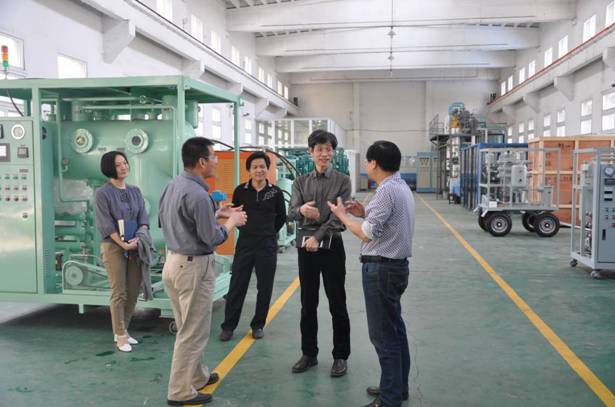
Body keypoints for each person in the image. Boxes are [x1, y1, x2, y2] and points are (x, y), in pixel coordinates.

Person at [159, 137, 247, 406]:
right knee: (193, 332)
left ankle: (197, 376)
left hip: (173, 263)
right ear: (201, 162)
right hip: (193, 267)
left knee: (188, 326)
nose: (216, 161)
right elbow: (212, 238)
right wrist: (232, 221)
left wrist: (216, 213)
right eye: (213, 157)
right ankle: (179, 391)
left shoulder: (174, 185)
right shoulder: (197, 194)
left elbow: (176, 220)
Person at [327, 140, 415, 407]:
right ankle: (396, 387)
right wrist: (364, 212)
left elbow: (367, 233)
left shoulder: (386, 191)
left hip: (382, 269)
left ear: (374, 163)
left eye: (367, 161)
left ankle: (389, 399)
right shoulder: (399, 186)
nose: (366, 164)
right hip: (395, 267)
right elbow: (387, 221)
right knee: (395, 330)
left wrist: (343, 216)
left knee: (383, 335)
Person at [288, 130, 351, 378]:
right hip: (307, 248)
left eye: (328, 149)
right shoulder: (300, 182)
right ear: (311, 152)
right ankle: (309, 353)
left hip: (332, 246)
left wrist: (318, 236)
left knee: (337, 302)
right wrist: (302, 210)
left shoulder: (343, 181)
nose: (324, 154)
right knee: (308, 303)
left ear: (333, 152)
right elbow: (291, 211)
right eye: (319, 149)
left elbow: (339, 217)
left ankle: (340, 356)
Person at [220, 151, 287, 341]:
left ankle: (258, 325)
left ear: (267, 169)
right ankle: (228, 326)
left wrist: (268, 232)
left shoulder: (275, 192)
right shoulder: (240, 191)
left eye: (262, 166)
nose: (259, 170)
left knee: (264, 287)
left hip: (267, 245)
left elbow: (281, 217)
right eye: (255, 167)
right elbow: (235, 214)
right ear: (249, 170)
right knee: (237, 285)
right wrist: (248, 230)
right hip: (245, 244)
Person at [95, 151, 151, 353]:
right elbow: (106, 224)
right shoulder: (103, 193)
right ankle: (119, 335)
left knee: (133, 290)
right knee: (119, 292)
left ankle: (124, 330)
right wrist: (123, 244)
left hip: (135, 245)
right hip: (113, 246)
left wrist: (139, 237)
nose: (124, 167)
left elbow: (143, 218)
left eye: (125, 163)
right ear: (110, 168)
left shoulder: (135, 191)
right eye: (118, 164)